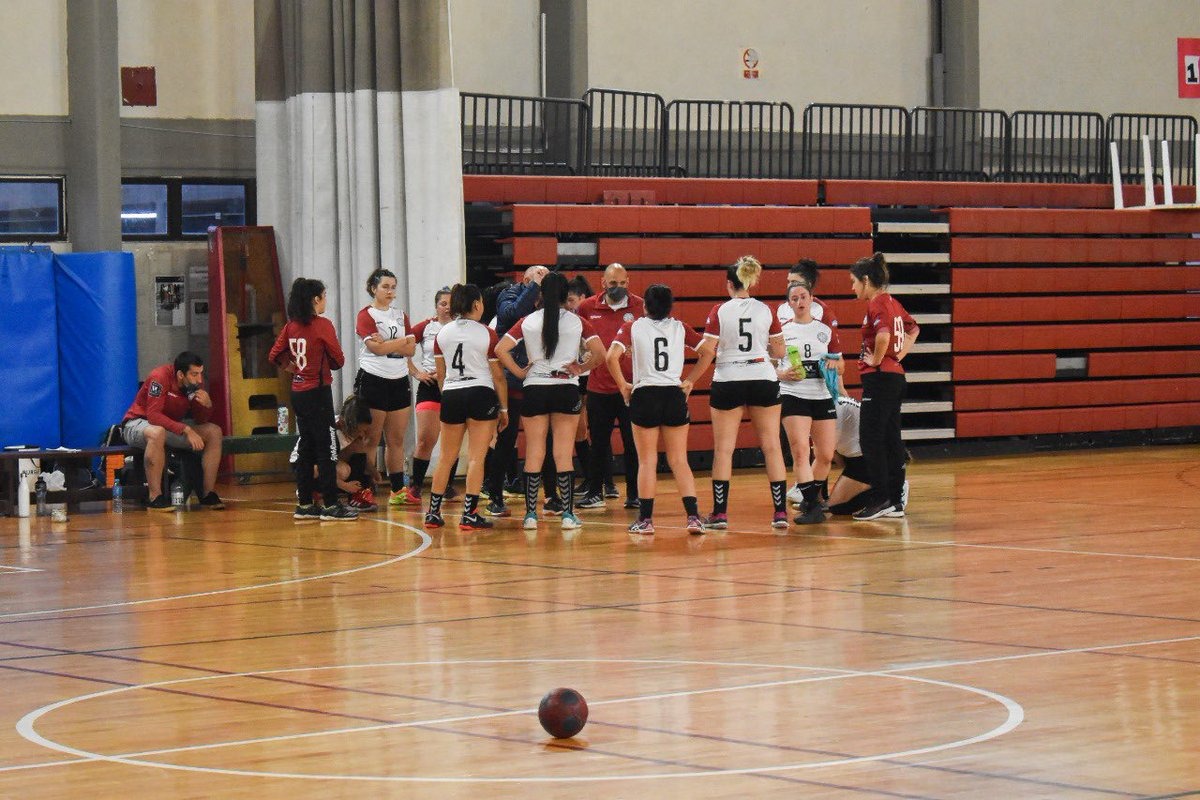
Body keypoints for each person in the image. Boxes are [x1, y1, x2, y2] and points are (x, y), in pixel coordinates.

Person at [496, 272, 605, 532]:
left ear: (540, 294)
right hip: (565, 388)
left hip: (535, 388)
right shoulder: (578, 322)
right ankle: (567, 514)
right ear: (565, 294)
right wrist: (580, 367)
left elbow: (500, 349)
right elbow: (600, 354)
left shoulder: (527, 321)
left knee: (534, 452)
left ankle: (531, 515)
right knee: (563, 453)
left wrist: (521, 371)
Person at [606, 284, 709, 534]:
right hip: (673, 394)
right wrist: (691, 380)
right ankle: (693, 517)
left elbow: (611, 357)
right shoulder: (680, 327)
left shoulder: (633, 326)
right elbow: (707, 352)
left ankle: (645, 520)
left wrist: (623, 385)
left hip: (645, 394)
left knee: (647, 461)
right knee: (679, 460)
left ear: (644, 306)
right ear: (670, 306)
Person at [696, 255, 789, 530]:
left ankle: (720, 514)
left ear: (729, 284)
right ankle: (781, 513)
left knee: (724, 450)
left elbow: (708, 350)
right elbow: (781, 351)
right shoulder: (765, 310)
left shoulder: (719, 311)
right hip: (762, 376)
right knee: (772, 446)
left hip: (728, 377)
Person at [269, 278, 357, 521]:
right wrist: (322, 364)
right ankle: (330, 505)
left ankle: (305, 504)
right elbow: (338, 360)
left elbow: (275, 355)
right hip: (318, 392)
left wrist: (293, 368)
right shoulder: (322, 325)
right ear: (315, 299)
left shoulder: (291, 326)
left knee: (306, 446)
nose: (325, 300)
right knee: (327, 446)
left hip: (298, 392)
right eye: (324, 296)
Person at [423, 283, 509, 531]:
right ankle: (469, 515)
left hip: (451, 393)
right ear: (476, 305)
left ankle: (433, 513)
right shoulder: (486, 333)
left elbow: (441, 375)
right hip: (481, 392)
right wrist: (503, 409)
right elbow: (498, 376)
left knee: (446, 458)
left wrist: (450, 395)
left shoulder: (442, 333)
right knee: (476, 458)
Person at [849, 252, 920, 521]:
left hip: (880, 379)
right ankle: (894, 500)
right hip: (895, 378)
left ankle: (880, 498)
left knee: (870, 439)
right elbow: (914, 329)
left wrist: (879, 359)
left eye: (854, 282)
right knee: (891, 439)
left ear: (866, 281)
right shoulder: (893, 303)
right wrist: (897, 356)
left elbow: (883, 335)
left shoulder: (877, 303)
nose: (852, 287)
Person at [575, 263, 644, 510]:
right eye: (613, 284)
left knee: (633, 443)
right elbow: (578, 340)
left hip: (632, 387)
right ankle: (595, 492)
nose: (618, 288)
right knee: (599, 443)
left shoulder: (640, 306)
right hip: (599, 387)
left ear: (629, 281)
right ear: (603, 283)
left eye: (623, 284)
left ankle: (635, 494)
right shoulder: (586, 307)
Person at [120, 351, 225, 511]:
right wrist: (185, 429)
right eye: (194, 374)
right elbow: (153, 416)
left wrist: (206, 406)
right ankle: (155, 497)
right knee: (157, 432)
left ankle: (207, 493)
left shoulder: (195, 384)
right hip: (137, 424)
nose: (199, 379)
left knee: (214, 432)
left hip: (168, 428)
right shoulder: (159, 377)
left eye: (201, 374)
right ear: (180, 374)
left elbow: (201, 420)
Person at [483, 265, 549, 517]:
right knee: (506, 439)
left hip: (539, 379)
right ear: (525, 280)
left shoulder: (546, 302)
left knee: (544, 438)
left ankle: (551, 496)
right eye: (537, 277)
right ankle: (495, 494)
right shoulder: (510, 294)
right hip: (510, 378)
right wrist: (534, 288)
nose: (542, 283)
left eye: (545, 277)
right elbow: (511, 315)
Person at [778, 281, 841, 525]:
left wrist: (833, 366)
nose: (799, 302)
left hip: (821, 393)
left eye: (803, 297)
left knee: (825, 454)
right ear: (789, 303)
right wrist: (781, 374)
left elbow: (840, 363)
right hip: (793, 394)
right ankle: (813, 505)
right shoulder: (781, 331)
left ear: (812, 298)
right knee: (801, 450)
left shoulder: (824, 330)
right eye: (794, 299)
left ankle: (808, 499)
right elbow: (767, 361)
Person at [354, 268, 417, 506]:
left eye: (393, 287)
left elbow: (411, 350)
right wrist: (401, 342)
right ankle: (366, 489)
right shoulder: (366, 315)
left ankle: (397, 489)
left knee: (396, 439)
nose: (390, 292)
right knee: (371, 438)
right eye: (385, 287)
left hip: (399, 379)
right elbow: (376, 349)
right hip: (374, 378)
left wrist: (391, 343)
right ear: (373, 288)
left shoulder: (401, 315)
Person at [408, 288, 456, 502]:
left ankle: (447, 486)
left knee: (451, 440)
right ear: (436, 307)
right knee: (426, 439)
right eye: (443, 303)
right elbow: (401, 347)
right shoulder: (426, 327)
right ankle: (416, 485)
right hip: (430, 387)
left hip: (454, 386)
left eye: (451, 304)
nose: (447, 307)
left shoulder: (461, 327)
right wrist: (417, 372)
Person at [825, 395, 910, 516]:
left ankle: (894, 488)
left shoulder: (835, 407)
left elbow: (826, 454)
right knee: (835, 506)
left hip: (867, 458)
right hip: (853, 457)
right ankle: (887, 484)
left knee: (837, 507)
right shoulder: (832, 403)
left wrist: (812, 499)